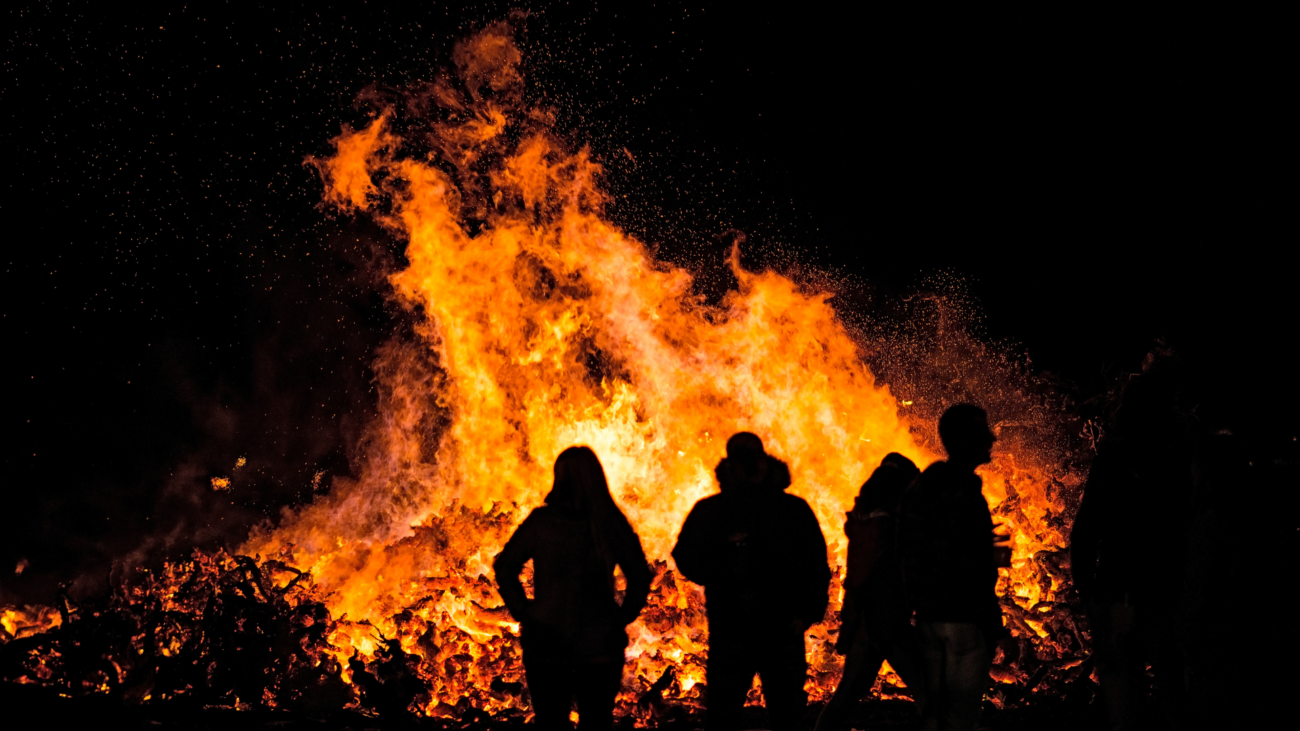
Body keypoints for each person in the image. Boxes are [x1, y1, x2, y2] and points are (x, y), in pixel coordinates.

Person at [672, 432, 831, 731]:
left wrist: (806, 613)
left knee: (785, 717)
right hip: (734, 628)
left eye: (751, 458)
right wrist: (724, 570)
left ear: (763, 461)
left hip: (780, 629)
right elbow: (686, 556)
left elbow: (815, 566)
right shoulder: (715, 511)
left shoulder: (790, 511)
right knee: (724, 715)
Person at [494, 446, 652, 731]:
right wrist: (622, 616)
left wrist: (524, 611)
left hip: (547, 644)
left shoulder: (542, 523)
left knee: (551, 723)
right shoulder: (610, 524)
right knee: (596, 723)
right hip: (599, 645)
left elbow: (505, 566)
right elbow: (640, 575)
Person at [1071, 368, 1192, 730]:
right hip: (1153, 589)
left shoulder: (1120, 455)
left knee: (1126, 680)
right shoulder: (1176, 458)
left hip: (1127, 589)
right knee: (1166, 680)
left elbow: (1089, 526)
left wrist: (1087, 587)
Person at [899, 404, 1009, 731]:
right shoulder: (962, 493)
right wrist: (992, 625)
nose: (991, 438)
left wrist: (916, 605)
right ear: (965, 440)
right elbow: (967, 566)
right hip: (963, 621)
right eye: (982, 432)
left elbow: (906, 550)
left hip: (930, 619)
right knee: (961, 716)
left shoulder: (921, 489)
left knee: (935, 715)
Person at [815, 453, 924, 731]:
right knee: (930, 693)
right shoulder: (883, 525)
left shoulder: (868, 521)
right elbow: (869, 576)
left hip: (869, 625)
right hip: (888, 624)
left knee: (848, 695)